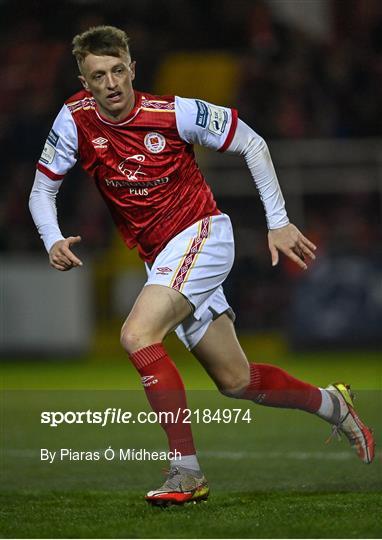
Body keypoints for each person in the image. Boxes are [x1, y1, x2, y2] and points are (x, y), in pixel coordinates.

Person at [29, 25, 374, 507]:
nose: (110, 83)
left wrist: (278, 222)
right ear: (84, 83)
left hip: (202, 235)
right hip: (163, 258)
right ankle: (333, 404)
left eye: (117, 70)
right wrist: (51, 238)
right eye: (97, 75)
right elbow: (42, 189)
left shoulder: (173, 113)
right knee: (237, 381)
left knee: (136, 334)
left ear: (132, 69)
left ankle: (185, 473)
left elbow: (253, 143)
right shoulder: (74, 119)